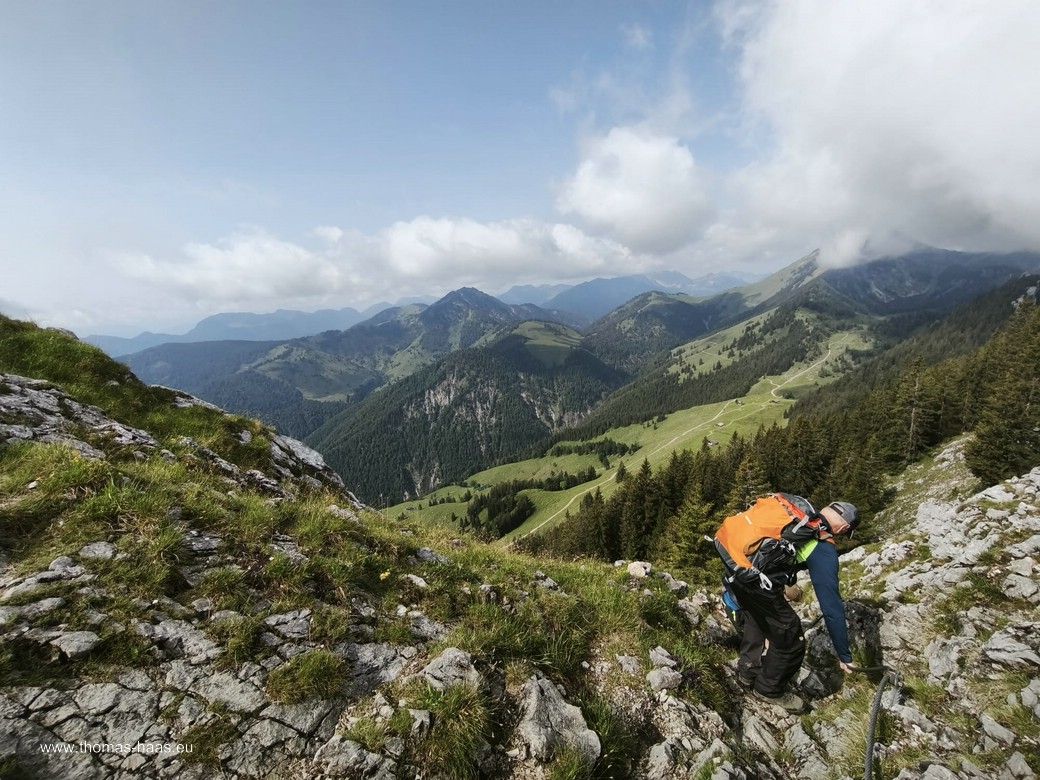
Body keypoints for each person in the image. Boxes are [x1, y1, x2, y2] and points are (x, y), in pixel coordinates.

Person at [714, 494, 859, 713]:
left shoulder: (794, 513)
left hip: (738, 568)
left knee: (757, 616)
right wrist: (844, 655)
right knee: (791, 637)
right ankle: (769, 690)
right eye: (846, 532)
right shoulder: (822, 547)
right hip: (756, 582)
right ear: (844, 527)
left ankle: (748, 672)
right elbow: (831, 606)